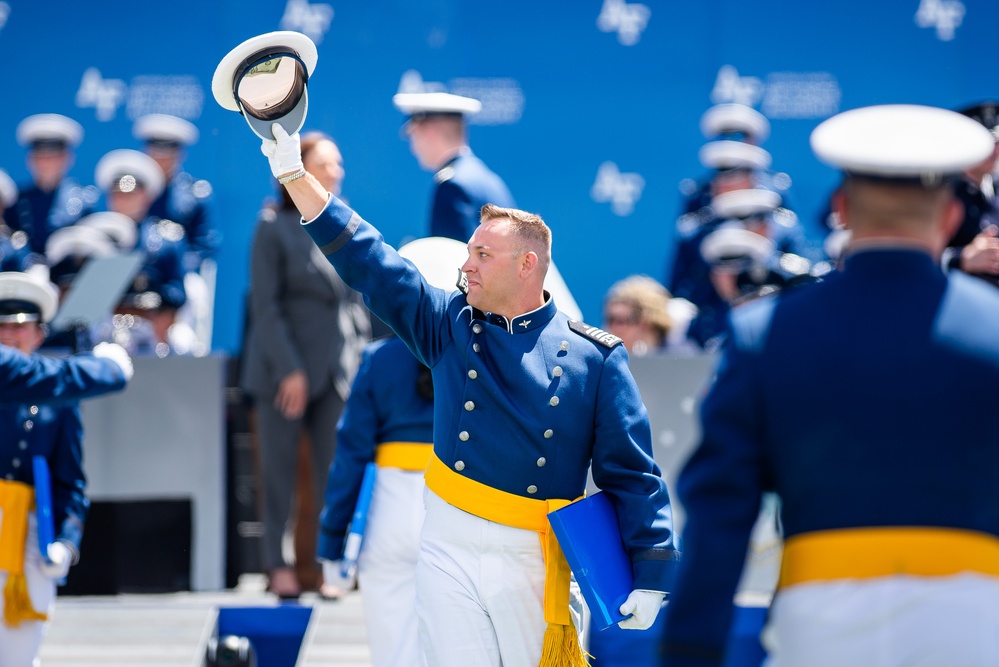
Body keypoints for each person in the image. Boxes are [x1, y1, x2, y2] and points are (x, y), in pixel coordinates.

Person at [257, 121, 678, 667]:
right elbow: (371, 260)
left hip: (534, 555)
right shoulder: (451, 324)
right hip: (447, 545)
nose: (465, 264)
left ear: (527, 265)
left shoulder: (595, 357)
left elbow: (631, 471)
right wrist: (296, 177)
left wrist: (652, 568)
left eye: (482, 255)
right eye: (469, 251)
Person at [660, 104, 999, 666]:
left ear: (840, 209)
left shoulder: (764, 334)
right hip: (977, 626)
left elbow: (721, 512)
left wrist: (688, 650)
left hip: (820, 630)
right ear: (949, 217)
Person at [241, 131, 371, 599]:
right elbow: (266, 306)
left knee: (335, 474)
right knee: (276, 474)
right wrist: (290, 369)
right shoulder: (273, 226)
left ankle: (328, 567)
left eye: (338, 164)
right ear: (297, 169)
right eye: (325, 164)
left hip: (337, 371)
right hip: (283, 373)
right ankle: (277, 566)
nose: (335, 172)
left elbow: (356, 302)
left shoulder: (342, 223)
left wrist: (357, 360)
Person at [0, 271, 94, 665]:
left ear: (38, 334)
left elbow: (71, 483)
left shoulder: (58, 396)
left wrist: (65, 542)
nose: (10, 336)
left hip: (27, 537)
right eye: (2, 327)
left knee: (19, 650)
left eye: (20, 328)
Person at [93, 149, 189, 354]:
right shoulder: (96, 236)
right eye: (117, 195)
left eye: (130, 195)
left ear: (146, 196)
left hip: (154, 325)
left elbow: (178, 292)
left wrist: (154, 303)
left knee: (184, 345)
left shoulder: (167, 239)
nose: (123, 201)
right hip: (105, 326)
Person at [393, 91, 516, 242]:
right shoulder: (486, 178)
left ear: (428, 133)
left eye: (414, 136)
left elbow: (453, 260)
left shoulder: (453, 187)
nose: (413, 148)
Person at [133, 113, 221, 273]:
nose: (160, 160)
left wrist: (172, 269)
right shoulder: (133, 190)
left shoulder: (196, 195)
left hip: (179, 277)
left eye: (166, 154)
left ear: (179, 154)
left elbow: (205, 245)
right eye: (155, 153)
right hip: (133, 270)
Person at [9, 114, 95, 255]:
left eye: (52, 157)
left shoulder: (83, 202)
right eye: (41, 157)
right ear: (30, 160)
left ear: (67, 158)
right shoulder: (17, 201)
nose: (46, 163)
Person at [942, 101, 999, 286]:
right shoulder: (941, 195)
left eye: (997, 142)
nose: (994, 150)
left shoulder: (995, 189)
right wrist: (962, 258)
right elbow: (912, 255)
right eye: (987, 143)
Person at [602, 275, 698, 355]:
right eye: (611, 320)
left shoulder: (686, 350)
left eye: (625, 320)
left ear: (648, 322)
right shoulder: (604, 358)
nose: (616, 328)